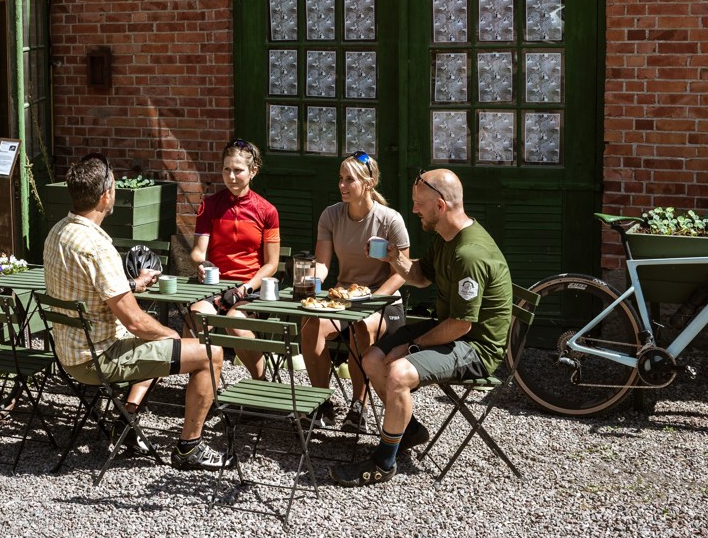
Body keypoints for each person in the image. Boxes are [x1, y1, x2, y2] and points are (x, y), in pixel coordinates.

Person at [43, 153, 233, 470]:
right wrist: (171, 337)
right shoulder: (97, 245)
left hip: (70, 353)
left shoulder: (58, 233)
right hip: (99, 359)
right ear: (106, 196)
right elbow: (134, 322)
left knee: (157, 341)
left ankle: (125, 420)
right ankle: (190, 448)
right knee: (209, 353)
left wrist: (133, 283)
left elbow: (89, 290)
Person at [330, 168, 512, 486]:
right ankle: (410, 430)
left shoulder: (469, 254)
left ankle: (383, 462)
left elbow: (461, 325)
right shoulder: (446, 238)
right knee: (372, 358)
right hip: (448, 328)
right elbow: (421, 275)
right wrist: (392, 257)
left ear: (440, 206)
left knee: (399, 372)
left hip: (476, 348)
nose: (414, 210)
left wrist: (412, 347)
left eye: (419, 204)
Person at [302, 151, 412, 433]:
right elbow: (323, 265)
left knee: (361, 326)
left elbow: (402, 273)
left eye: (349, 179)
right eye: (340, 179)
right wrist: (310, 281)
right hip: (345, 296)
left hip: (384, 300)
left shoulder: (390, 220)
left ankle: (357, 406)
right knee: (310, 324)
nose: (342, 185)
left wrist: (372, 300)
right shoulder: (331, 215)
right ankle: (321, 401)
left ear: (369, 182)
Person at [184, 139, 281, 380]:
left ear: (253, 171)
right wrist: (201, 264)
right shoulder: (209, 205)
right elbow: (198, 251)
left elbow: (271, 264)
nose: (231, 176)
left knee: (235, 323)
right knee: (194, 317)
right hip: (216, 284)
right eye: (227, 169)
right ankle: (204, 385)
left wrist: (244, 288)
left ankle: (260, 382)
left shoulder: (267, 210)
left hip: (251, 287)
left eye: (238, 170)